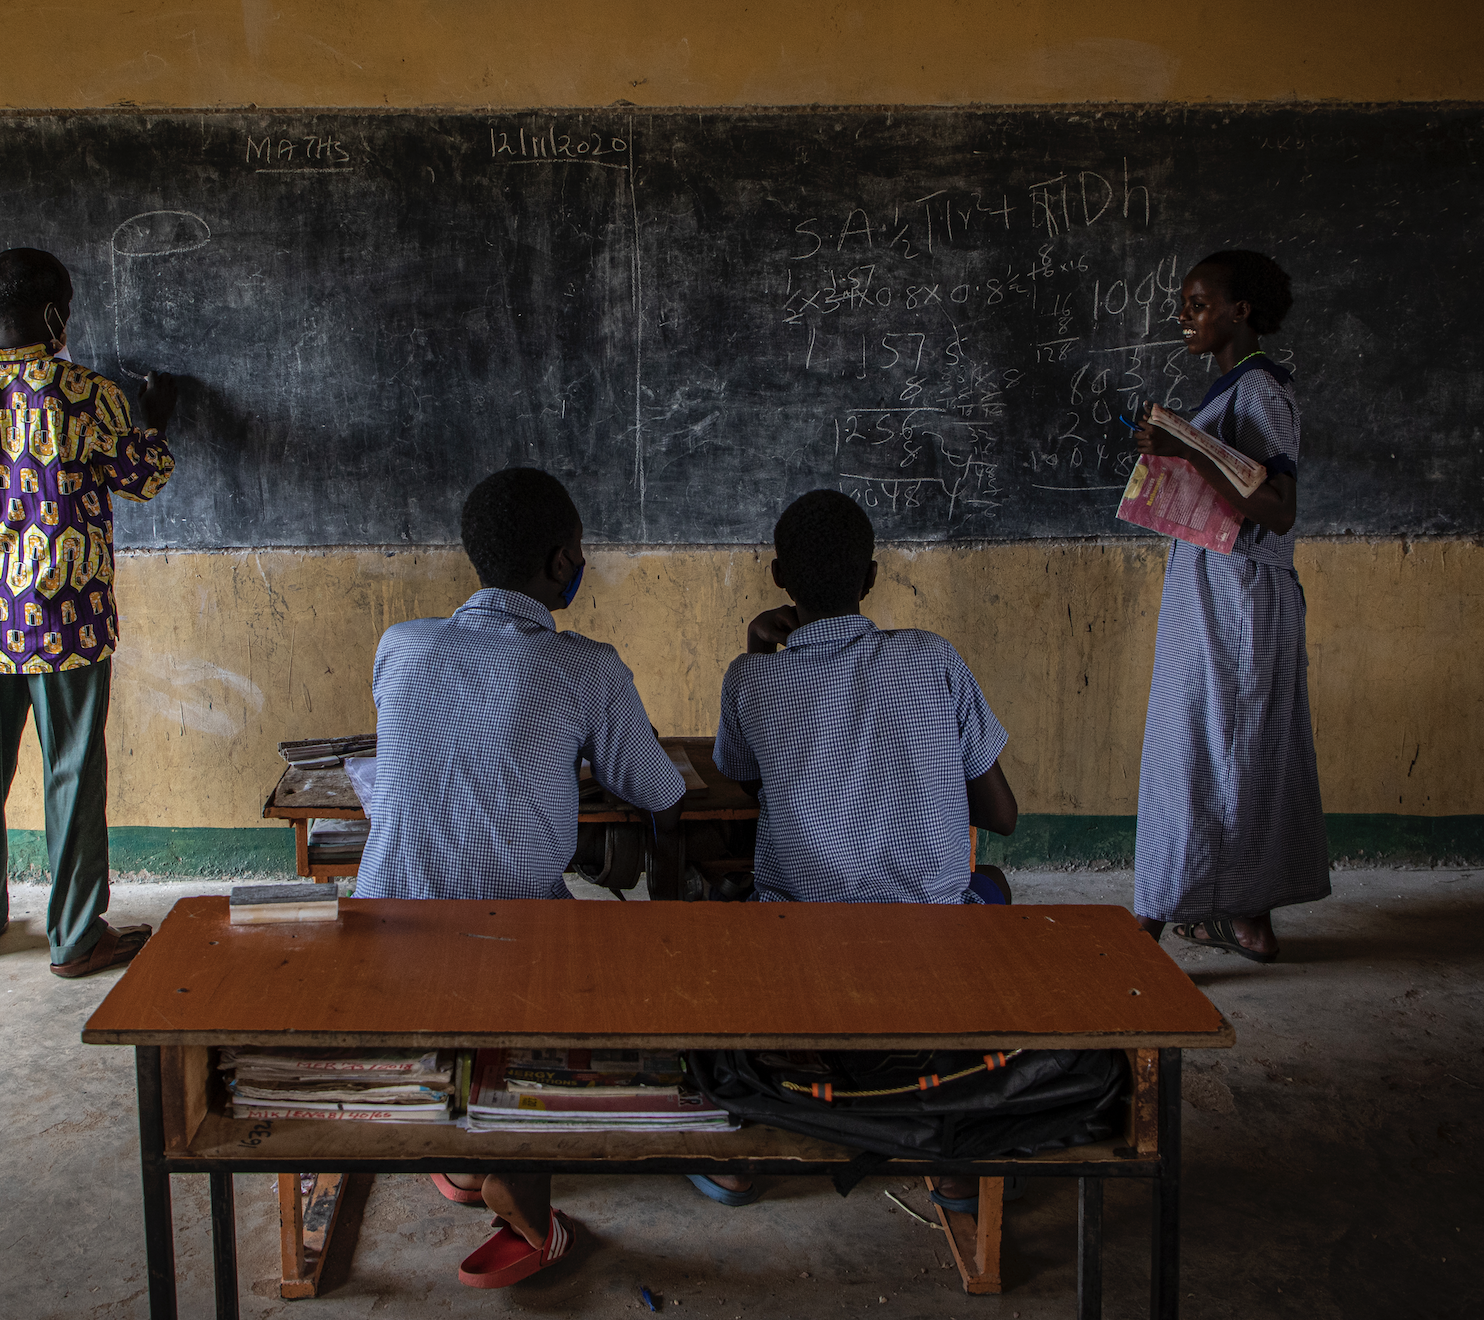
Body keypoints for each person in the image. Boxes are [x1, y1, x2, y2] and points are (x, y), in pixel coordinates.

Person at [356, 466, 686, 1288]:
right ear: (562, 557)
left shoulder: (401, 642)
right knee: (570, 934)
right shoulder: (585, 666)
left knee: (472, 913)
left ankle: (463, 1160)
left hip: (379, 939)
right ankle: (526, 1189)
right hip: (509, 949)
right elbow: (661, 791)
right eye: (580, 554)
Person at [711, 487, 1019, 1214]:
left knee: (722, 908)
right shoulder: (931, 658)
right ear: (872, 578)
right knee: (991, 886)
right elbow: (999, 813)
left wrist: (759, 651)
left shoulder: (750, 679)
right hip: (927, 947)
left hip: (800, 941)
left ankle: (742, 1148)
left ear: (779, 577)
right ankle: (951, 1157)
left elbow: (738, 776)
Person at [0, 247, 181, 979]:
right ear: (56, 311)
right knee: (70, 772)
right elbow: (143, 476)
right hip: (68, 619)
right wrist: (153, 419)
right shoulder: (84, 395)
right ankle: (74, 936)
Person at [1130, 249, 1326, 964]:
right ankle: (1248, 920)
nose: (1185, 316)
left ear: (1240, 312)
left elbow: (1276, 507)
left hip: (1238, 594)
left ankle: (1150, 922)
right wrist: (1183, 452)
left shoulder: (1262, 391)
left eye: (1199, 302)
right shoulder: (1231, 391)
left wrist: (1190, 448)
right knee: (1232, 750)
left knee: (1202, 751)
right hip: (1214, 589)